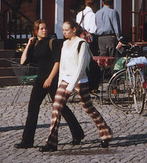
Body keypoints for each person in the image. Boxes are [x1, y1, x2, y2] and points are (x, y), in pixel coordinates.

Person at [40, 20, 111, 151]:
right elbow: (63, 65)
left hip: (79, 80)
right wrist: (61, 82)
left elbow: (81, 67)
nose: (64, 32)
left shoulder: (81, 44)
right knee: (56, 108)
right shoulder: (65, 44)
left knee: (89, 108)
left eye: (66, 30)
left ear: (74, 29)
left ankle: (105, 133)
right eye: (63, 30)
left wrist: (70, 87)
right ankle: (51, 142)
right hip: (65, 80)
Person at [15, 19, 85, 149]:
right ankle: (27, 140)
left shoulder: (52, 42)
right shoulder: (35, 44)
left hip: (52, 79)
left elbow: (56, 62)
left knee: (61, 107)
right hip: (40, 79)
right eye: (41, 28)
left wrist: (50, 78)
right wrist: (28, 44)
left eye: (45, 28)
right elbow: (23, 61)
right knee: (32, 109)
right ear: (36, 31)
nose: (44, 30)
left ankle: (77, 133)